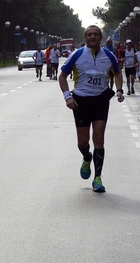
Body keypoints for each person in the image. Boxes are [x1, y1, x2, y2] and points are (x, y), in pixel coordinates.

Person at [58, 25, 125, 193]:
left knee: (99, 138)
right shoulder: (77, 54)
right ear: (85, 37)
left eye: (95, 34)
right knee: (83, 142)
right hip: (80, 101)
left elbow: (117, 73)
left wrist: (119, 90)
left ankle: (98, 178)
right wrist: (68, 97)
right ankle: (86, 157)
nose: (92, 37)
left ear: (101, 37)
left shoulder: (109, 55)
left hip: (101, 100)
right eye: (89, 34)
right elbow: (62, 76)